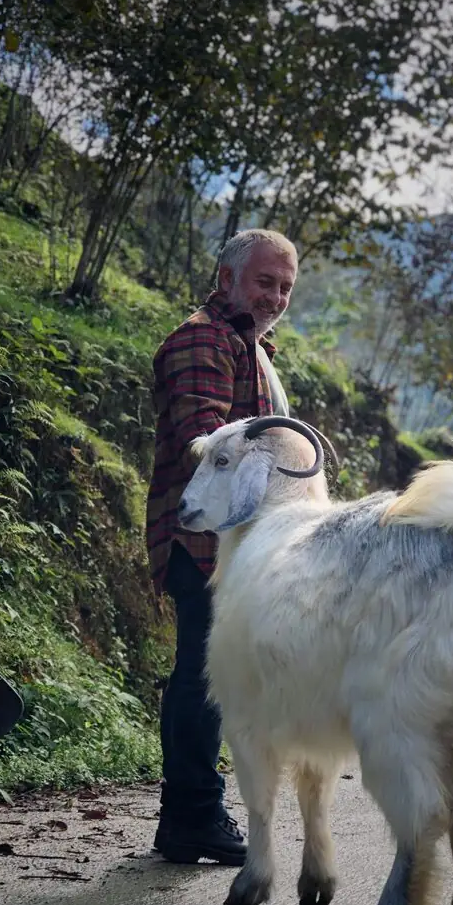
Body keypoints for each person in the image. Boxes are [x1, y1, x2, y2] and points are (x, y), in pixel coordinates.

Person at [146, 229, 297, 865]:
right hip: (201, 542)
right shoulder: (200, 338)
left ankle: (195, 812)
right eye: (267, 281)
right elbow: (207, 446)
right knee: (202, 678)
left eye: (286, 286)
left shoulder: (251, 345)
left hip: (241, 548)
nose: (277, 296)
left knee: (220, 677)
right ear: (228, 277)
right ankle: (191, 815)